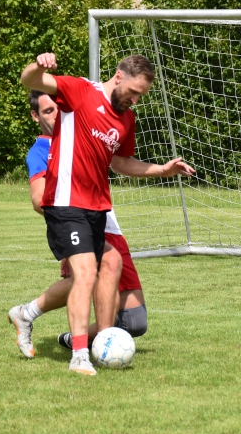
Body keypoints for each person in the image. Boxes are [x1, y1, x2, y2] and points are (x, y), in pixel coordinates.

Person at [20, 53, 194, 375]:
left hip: (97, 207)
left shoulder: (126, 119)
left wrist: (162, 170)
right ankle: (79, 356)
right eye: (134, 92)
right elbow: (29, 80)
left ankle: (99, 339)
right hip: (65, 202)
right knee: (85, 273)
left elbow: (121, 163)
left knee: (111, 263)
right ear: (118, 76)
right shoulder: (80, 91)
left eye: (141, 95)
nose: (136, 100)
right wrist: (38, 65)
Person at [8, 91, 148, 361]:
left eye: (58, 108)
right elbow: (38, 199)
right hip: (78, 224)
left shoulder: (79, 134)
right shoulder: (40, 151)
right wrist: (70, 225)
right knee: (92, 274)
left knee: (135, 322)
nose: (55, 115)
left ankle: (42, 322)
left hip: (107, 224)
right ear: (35, 116)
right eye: (47, 111)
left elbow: (117, 160)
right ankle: (93, 349)